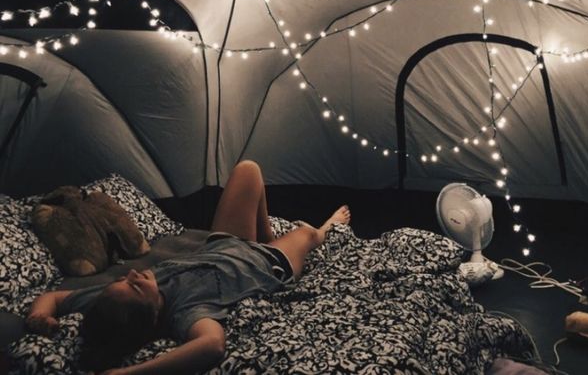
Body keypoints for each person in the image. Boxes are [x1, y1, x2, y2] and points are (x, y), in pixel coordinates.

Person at [24, 160, 351, 374]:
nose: (135, 274)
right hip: (265, 264)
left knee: (248, 169)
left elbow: (54, 296)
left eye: (127, 278)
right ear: (152, 316)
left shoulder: (108, 299)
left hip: (222, 243)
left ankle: (267, 235)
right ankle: (326, 227)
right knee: (308, 232)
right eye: (137, 286)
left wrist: (39, 316)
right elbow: (211, 346)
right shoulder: (186, 314)